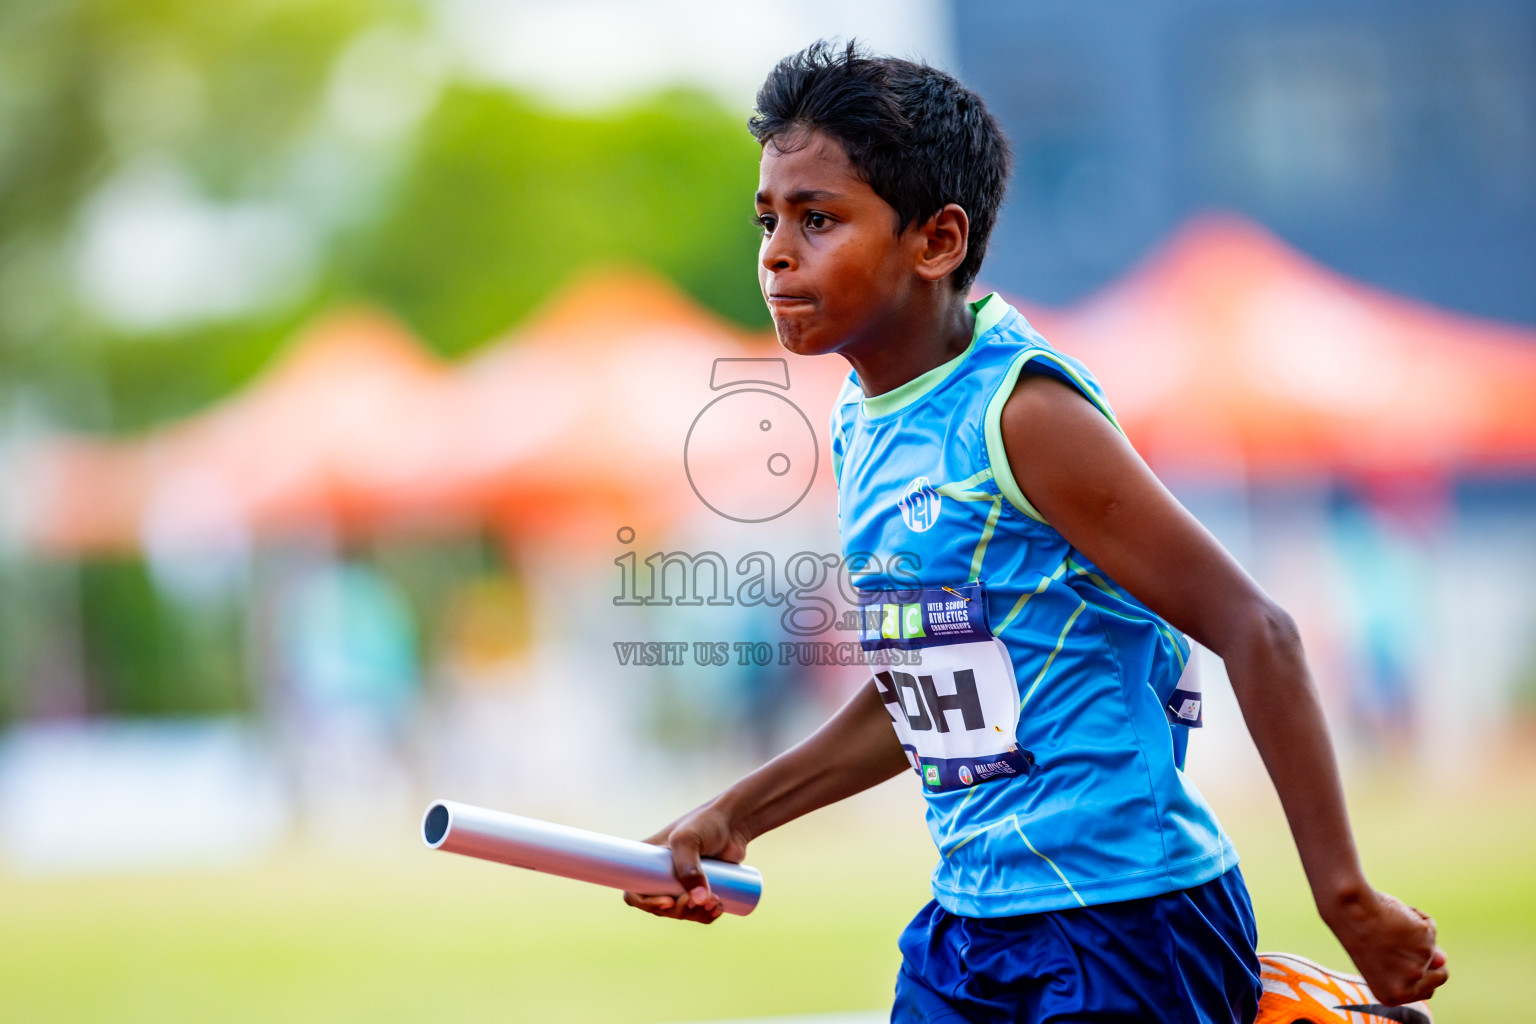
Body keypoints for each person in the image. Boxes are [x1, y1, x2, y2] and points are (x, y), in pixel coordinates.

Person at [623, 41, 1447, 1024]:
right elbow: (925, 694)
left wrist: (1346, 894)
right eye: (768, 219)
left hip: (1126, 922)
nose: (776, 252)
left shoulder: (1024, 415)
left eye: (818, 219)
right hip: (970, 926)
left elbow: (1255, 626)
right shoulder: (861, 422)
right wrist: (737, 812)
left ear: (935, 242)